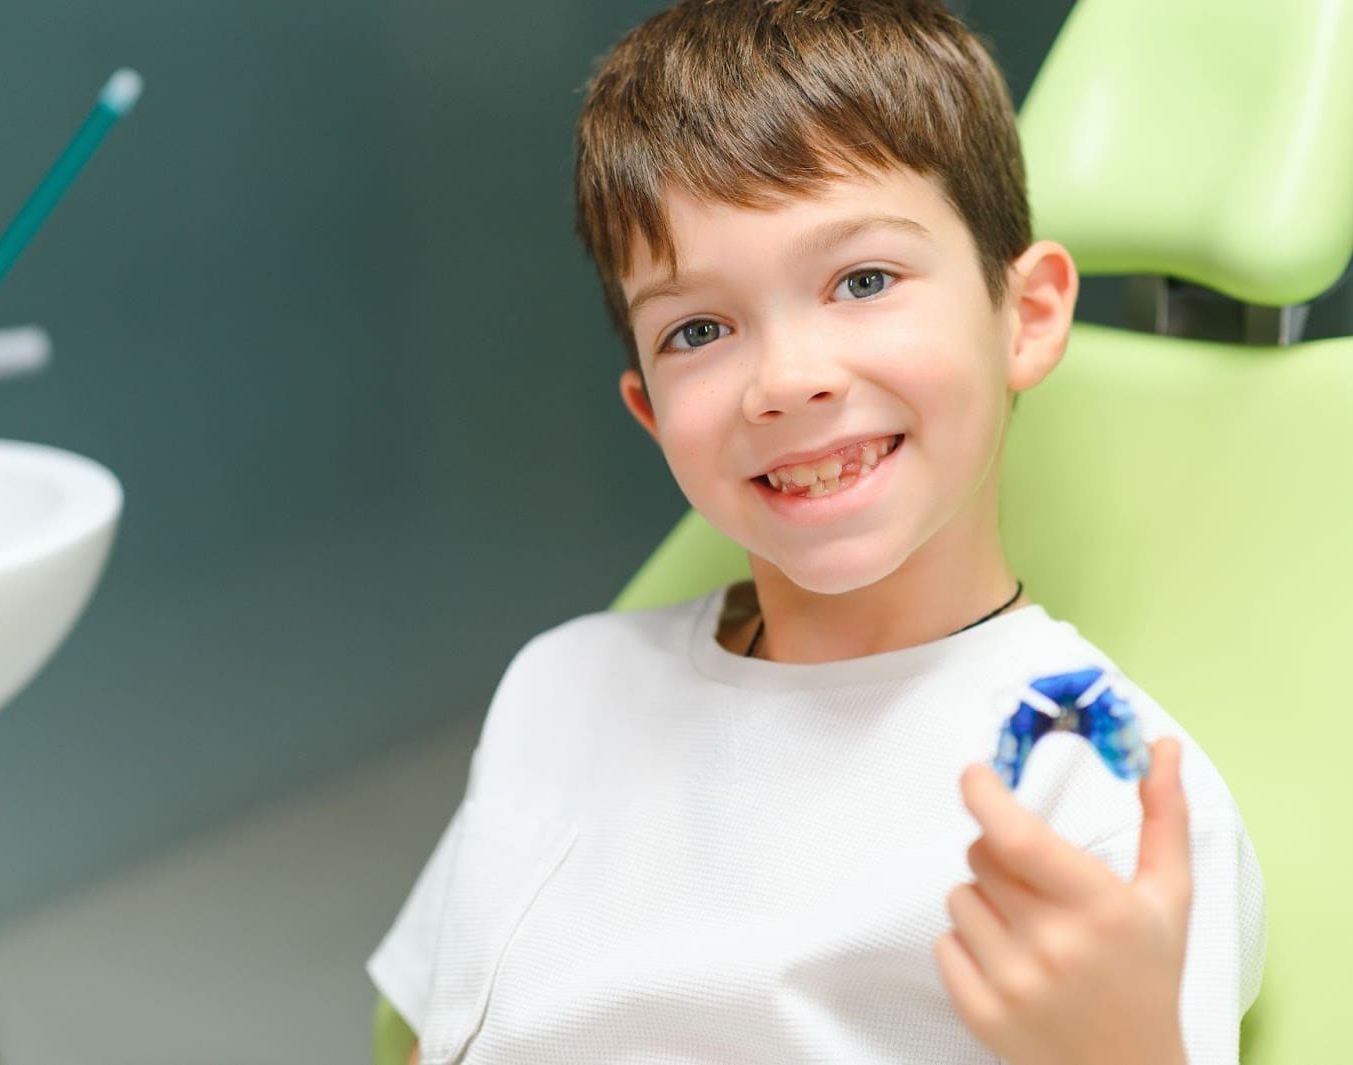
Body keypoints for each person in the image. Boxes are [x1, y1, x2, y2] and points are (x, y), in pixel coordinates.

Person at [368, 1, 1266, 1062]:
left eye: (864, 279)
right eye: (698, 329)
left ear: (1024, 316)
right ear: (651, 411)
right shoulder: (559, 694)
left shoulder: (1095, 802)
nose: (787, 382)